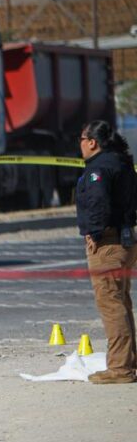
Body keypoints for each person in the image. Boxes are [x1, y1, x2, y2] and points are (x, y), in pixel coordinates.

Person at [76, 120, 137, 384]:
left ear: (92, 142)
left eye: (81, 139)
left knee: (111, 304)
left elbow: (97, 201)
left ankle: (120, 369)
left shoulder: (98, 168)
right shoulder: (122, 162)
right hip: (125, 239)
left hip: (108, 243)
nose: (79, 145)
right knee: (121, 302)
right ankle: (127, 361)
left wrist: (94, 232)